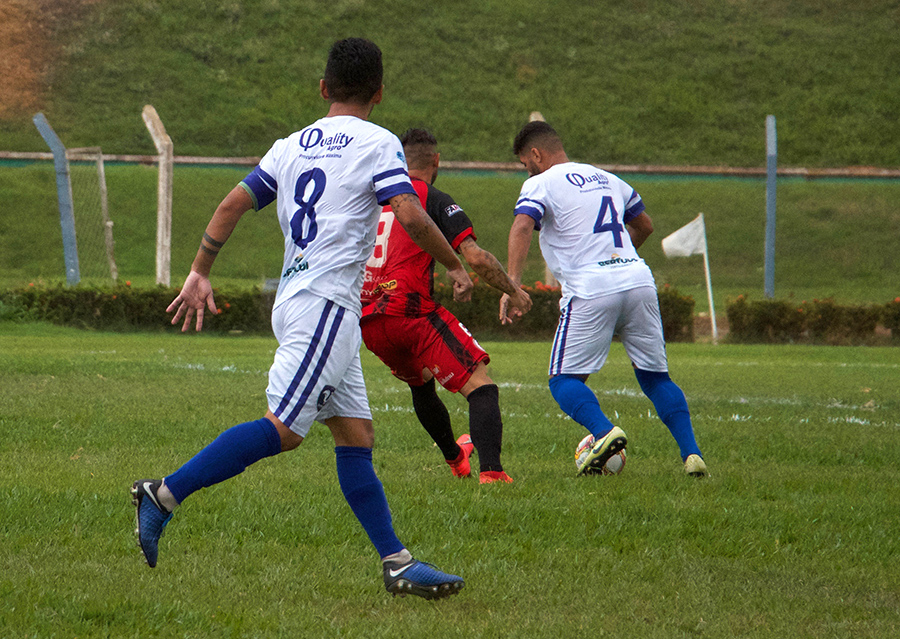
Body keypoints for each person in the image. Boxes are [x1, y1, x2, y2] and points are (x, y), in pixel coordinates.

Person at [130, 38, 474, 601]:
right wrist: (454, 264)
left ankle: (397, 563)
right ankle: (162, 494)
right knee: (285, 431)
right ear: (379, 93)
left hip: (303, 299)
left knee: (356, 435)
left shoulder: (290, 146)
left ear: (322, 88)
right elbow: (409, 212)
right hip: (326, 306)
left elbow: (231, 204)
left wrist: (199, 270)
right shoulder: (378, 142)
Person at [500, 120, 708, 478]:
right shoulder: (608, 178)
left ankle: (603, 431)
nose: (527, 169)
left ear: (535, 154)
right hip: (638, 279)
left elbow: (522, 226)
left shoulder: (540, 182)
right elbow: (644, 225)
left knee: (563, 381)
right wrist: (618, 260)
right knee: (656, 378)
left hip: (591, 287)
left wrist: (512, 285)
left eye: (525, 163)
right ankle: (692, 455)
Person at [360, 128, 532, 484]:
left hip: (369, 320)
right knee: (481, 386)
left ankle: (456, 460)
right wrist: (514, 291)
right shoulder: (427, 197)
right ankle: (493, 473)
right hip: (410, 311)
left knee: (421, 383)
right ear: (436, 161)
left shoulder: (370, 199)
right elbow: (476, 258)